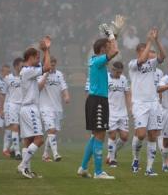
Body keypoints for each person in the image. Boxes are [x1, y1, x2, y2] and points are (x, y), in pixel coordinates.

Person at [77, 36, 119, 180]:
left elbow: (112, 50)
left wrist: (113, 37)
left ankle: (83, 167)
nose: (110, 48)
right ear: (102, 49)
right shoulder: (99, 60)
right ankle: (99, 172)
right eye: (107, 46)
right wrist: (112, 36)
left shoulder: (95, 60)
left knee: (96, 135)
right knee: (100, 135)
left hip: (95, 100)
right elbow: (115, 51)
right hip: (99, 101)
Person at [129, 28, 166, 176]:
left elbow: (163, 56)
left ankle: (149, 168)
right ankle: (136, 159)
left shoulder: (152, 65)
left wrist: (156, 40)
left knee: (153, 135)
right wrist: (149, 41)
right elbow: (143, 60)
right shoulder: (133, 64)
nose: (151, 52)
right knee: (141, 134)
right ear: (139, 51)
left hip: (154, 103)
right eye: (147, 50)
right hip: (139, 104)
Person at [17, 36, 51, 179]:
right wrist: (47, 50)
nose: (39, 60)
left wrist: (45, 74)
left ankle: (27, 170)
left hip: (26, 108)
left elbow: (37, 87)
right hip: (30, 109)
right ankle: (23, 165)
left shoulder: (26, 71)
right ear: (30, 57)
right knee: (39, 139)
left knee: (28, 141)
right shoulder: (28, 70)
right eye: (37, 57)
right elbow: (47, 66)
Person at [38, 56, 70, 162]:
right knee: (51, 130)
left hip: (57, 108)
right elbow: (39, 87)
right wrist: (46, 73)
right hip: (45, 107)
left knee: (53, 132)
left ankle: (45, 155)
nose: (52, 66)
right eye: (49, 64)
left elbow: (63, 87)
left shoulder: (59, 74)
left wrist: (66, 96)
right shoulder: (40, 74)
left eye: (53, 64)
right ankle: (56, 154)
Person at [105, 61, 131, 168]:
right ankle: (112, 159)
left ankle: (112, 152)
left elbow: (127, 93)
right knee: (112, 135)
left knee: (125, 137)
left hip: (122, 112)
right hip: (110, 111)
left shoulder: (123, 79)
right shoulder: (105, 78)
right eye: (117, 72)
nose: (119, 75)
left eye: (120, 72)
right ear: (113, 69)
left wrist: (130, 106)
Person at [3, 58, 24, 160]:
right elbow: (3, 94)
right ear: (16, 66)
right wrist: (1, 108)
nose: (23, 67)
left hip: (24, 106)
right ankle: (17, 152)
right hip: (12, 106)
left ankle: (12, 149)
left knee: (23, 132)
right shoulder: (8, 78)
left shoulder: (26, 77)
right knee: (14, 127)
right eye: (21, 66)